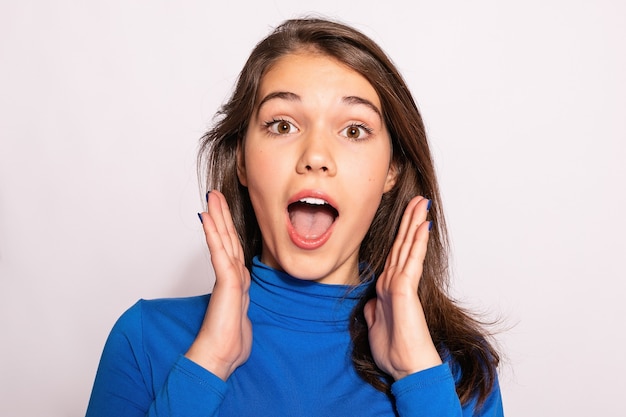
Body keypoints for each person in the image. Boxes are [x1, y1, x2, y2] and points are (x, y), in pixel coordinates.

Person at [86, 18, 503, 416]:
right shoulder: (144, 340)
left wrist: (419, 377)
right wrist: (208, 363)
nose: (316, 156)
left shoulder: (456, 367)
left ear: (392, 170)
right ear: (242, 162)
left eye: (354, 130)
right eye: (283, 126)